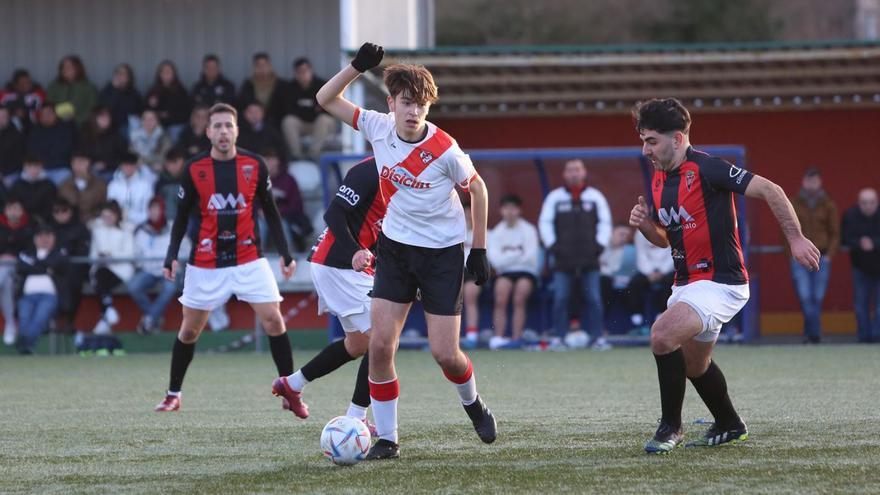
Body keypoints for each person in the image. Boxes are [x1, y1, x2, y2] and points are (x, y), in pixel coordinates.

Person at [313, 43, 496, 459]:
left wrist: (479, 249)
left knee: (445, 355)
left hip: (442, 254)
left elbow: (479, 188)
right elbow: (325, 99)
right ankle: (388, 439)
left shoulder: (445, 149)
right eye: (407, 103)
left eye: (422, 105)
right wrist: (356, 68)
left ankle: (473, 402)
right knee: (379, 346)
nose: (414, 112)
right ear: (391, 103)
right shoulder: (377, 126)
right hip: (395, 249)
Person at [629, 98, 820, 453]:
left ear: (678, 137)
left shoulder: (708, 168)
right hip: (686, 285)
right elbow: (667, 239)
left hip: (721, 283)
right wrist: (645, 227)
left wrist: (795, 237)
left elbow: (771, 190)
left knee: (661, 336)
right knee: (694, 364)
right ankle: (730, 423)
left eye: (651, 141)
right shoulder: (659, 179)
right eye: (643, 141)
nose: (645, 150)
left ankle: (671, 428)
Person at [155, 103, 297, 412]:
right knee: (190, 330)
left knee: (274, 319)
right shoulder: (194, 169)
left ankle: (289, 390)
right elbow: (180, 218)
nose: (223, 131)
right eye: (217, 126)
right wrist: (171, 256)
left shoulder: (255, 165)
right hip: (206, 262)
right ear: (208, 132)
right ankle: (174, 393)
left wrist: (285, 253)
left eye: (228, 126)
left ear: (236, 130)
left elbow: (271, 212)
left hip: (249, 258)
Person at [272, 156, 387, 428]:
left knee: (358, 344)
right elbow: (333, 214)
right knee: (382, 339)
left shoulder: (407, 175)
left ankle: (292, 383)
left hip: (347, 266)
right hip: (338, 264)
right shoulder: (369, 169)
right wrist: (354, 251)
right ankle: (356, 418)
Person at [539, 159, 612, 350]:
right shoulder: (555, 198)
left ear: (584, 172)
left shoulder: (595, 197)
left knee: (594, 299)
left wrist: (599, 246)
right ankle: (559, 338)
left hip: (590, 258)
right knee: (561, 298)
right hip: (563, 259)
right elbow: (544, 223)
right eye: (570, 170)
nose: (574, 174)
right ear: (564, 174)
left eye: (577, 170)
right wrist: (553, 246)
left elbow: (605, 223)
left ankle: (597, 338)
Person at [787, 167, 839, 344]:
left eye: (815, 181)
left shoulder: (828, 204)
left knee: (817, 296)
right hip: (800, 258)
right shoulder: (793, 203)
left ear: (820, 182)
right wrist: (791, 253)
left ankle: (811, 334)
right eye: (809, 181)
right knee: (805, 296)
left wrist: (830, 255)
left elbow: (835, 233)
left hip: (822, 257)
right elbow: (785, 230)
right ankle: (813, 334)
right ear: (803, 182)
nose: (812, 184)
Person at [486, 194, 539, 349]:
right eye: (506, 208)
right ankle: (499, 338)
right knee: (501, 295)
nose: (510, 212)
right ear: (501, 211)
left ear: (519, 210)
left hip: (526, 272)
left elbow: (530, 257)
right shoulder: (496, 232)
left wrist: (507, 255)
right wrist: (517, 252)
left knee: (519, 296)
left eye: (513, 208)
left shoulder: (529, 229)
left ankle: (516, 338)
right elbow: (495, 261)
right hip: (505, 273)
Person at [128, 197, 179, 334]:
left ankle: (149, 318)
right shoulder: (141, 230)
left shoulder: (172, 228)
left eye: (158, 209)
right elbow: (137, 253)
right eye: (152, 209)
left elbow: (181, 250)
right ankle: (155, 317)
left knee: (170, 288)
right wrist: (144, 264)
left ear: (163, 211)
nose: (155, 212)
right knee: (133, 286)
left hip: (167, 270)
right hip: (148, 270)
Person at [14, 225, 68, 354]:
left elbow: (59, 264)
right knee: (24, 319)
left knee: (40, 318)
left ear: (53, 238)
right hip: (26, 296)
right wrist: (46, 269)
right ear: (35, 239)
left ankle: (24, 346)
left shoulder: (59, 252)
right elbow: (21, 268)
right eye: (40, 236)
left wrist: (34, 265)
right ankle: (25, 347)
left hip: (49, 296)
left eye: (47, 236)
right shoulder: (26, 253)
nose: (44, 239)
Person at [88, 201, 134, 337]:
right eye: (104, 217)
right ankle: (107, 312)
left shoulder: (126, 231)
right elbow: (92, 254)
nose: (107, 220)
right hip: (101, 268)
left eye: (110, 216)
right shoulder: (97, 231)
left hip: (121, 270)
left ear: (116, 216)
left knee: (100, 278)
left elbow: (129, 253)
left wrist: (111, 256)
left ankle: (106, 315)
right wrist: (100, 256)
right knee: (100, 276)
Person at [841, 188, 880, 343]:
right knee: (860, 305)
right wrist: (859, 243)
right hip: (860, 268)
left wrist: (874, 244)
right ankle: (864, 338)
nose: (868, 206)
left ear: (877, 202)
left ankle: (877, 337)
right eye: (864, 203)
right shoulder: (850, 216)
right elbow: (844, 238)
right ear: (859, 203)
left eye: (871, 203)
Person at [279, 58, 336, 160]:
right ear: (295, 74)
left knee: (323, 119)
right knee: (288, 121)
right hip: (302, 124)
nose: (303, 74)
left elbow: (329, 109)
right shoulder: (289, 88)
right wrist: (313, 109)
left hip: (322, 125)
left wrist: (306, 110)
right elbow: (288, 110)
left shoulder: (322, 85)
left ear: (311, 71)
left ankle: (313, 155)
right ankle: (296, 155)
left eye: (305, 71)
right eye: (299, 72)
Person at [48, 198, 91, 336]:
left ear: (71, 212)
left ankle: (69, 321)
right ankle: (53, 321)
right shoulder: (48, 229)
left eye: (64, 210)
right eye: (57, 211)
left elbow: (83, 252)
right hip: (52, 271)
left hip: (74, 272)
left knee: (73, 283)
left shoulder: (80, 228)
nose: (61, 214)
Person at [257, 149, 309, 253]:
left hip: (285, 217)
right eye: (266, 159)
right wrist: (259, 210)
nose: (268, 162)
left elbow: (297, 206)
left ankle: (288, 257)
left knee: (282, 225)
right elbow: (252, 202)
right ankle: (257, 257)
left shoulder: (288, 180)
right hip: (263, 217)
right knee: (259, 225)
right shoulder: (258, 180)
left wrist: (278, 212)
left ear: (277, 161)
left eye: (271, 159)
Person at [0, 197, 33, 345]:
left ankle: (10, 324)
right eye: (10, 209)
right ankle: (10, 324)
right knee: (5, 283)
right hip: (2, 271)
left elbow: (31, 253)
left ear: (22, 211)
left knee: (6, 269)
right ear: (5, 211)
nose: (13, 213)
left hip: (20, 270)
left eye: (16, 209)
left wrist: (15, 258)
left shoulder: (30, 228)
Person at [599, 224, 642, 333]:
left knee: (635, 287)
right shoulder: (601, 247)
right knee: (604, 284)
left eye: (626, 235)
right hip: (605, 284)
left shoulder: (631, 251)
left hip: (625, 284)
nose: (624, 238)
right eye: (621, 234)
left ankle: (637, 324)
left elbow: (634, 271)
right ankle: (601, 326)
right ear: (612, 233)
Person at [631, 230, 675, 331]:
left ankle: (662, 314)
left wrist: (662, 271)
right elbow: (641, 254)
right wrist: (649, 272)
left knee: (670, 282)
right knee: (636, 282)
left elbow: (673, 252)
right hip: (647, 271)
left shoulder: (671, 227)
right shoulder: (640, 232)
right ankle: (637, 318)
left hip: (667, 270)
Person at [25, 104, 78, 184]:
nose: (46, 116)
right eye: (43, 114)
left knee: (65, 182)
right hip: (40, 168)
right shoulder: (35, 131)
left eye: (49, 113)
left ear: (55, 114)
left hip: (60, 168)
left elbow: (66, 150)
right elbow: (32, 151)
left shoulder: (65, 129)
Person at [57, 149, 108, 223]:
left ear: (89, 163)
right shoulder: (64, 186)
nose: (79, 166)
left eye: (82, 162)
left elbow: (104, 205)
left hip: (95, 221)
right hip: (71, 224)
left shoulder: (100, 184)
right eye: (76, 162)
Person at [145, 61, 191, 141]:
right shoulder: (153, 91)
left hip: (175, 124)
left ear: (174, 74)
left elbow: (186, 112)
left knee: (175, 131)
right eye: (163, 71)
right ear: (159, 74)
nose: (166, 74)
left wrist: (169, 115)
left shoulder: (181, 91)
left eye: (168, 71)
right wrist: (151, 106)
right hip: (157, 125)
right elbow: (145, 111)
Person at [46, 55, 98, 126]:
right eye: (63, 67)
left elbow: (93, 109)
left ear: (77, 68)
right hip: (58, 127)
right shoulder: (54, 87)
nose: (65, 70)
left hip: (81, 127)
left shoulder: (88, 87)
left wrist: (77, 118)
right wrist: (56, 116)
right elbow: (48, 106)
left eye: (69, 67)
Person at [107, 152, 156, 226]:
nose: (128, 168)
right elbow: (110, 210)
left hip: (139, 225)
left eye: (131, 165)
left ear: (136, 166)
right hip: (117, 225)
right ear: (121, 166)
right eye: (125, 165)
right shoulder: (113, 185)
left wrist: (130, 216)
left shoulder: (145, 186)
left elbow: (148, 213)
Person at [80, 106, 129, 179]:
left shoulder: (116, 134)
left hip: (111, 170)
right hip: (90, 169)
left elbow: (123, 155)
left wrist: (106, 164)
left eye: (107, 117)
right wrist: (92, 164)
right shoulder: (86, 135)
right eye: (102, 117)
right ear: (94, 119)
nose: (105, 119)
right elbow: (82, 154)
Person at [98, 63, 144, 134]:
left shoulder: (134, 93)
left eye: (123, 74)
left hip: (128, 126)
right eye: (118, 73)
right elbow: (105, 108)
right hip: (110, 125)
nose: (120, 76)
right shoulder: (106, 91)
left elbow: (138, 111)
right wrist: (115, 90)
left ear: (129, 77)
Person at [238, 53, 283, 125]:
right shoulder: (248, 84)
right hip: (252, 120)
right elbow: (242, 104)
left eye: (264, 65)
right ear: (254, 68)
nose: (261, 69)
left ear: (270, 66)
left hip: (276, 120)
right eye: (258, 66)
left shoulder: (280, 84)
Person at [10, 156, 57, 223]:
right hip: (22, 219)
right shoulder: (17, 185)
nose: (32, 170)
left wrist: (40, 218)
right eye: (29, 167)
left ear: (41, 167)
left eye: (35, 167)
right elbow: (14, 203)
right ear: (24, 167)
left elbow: (51, 205)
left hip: (44, 220)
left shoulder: (49, 185)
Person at [460, 201, 482, 348]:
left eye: (470, 213)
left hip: (473, 271)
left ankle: (472, 336)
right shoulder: (452, 231)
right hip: (455, 270)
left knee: (470, 295)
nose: (467, 216)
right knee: (446, 297)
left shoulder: (481, 233)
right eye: (464, 212)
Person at [154, 149, 187, 220]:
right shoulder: (161, 182)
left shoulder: (189, 179)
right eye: (168, 164)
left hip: (185, 221)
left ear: (181, 161)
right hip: (165, 222)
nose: (171, 167)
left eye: (174, 163)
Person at [0, 104, 26, 181]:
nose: (1, 119)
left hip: (10, 173)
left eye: (3, 117)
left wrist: (3, 173)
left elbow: (18, 159)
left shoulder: (16, 135)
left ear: (9, 117)